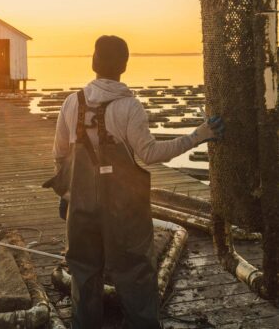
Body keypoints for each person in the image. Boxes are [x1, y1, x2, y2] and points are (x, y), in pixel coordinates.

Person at [46, 35, 224, 329]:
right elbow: (151, 154)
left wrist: (67, 196)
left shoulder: (70, 103)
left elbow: (59, 156)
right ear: (124, 66)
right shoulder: (130, 108)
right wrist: (199, 135)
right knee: (136, 273)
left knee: (84, 272)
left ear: (93, 62)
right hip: (124, 211)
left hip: (81, 207)